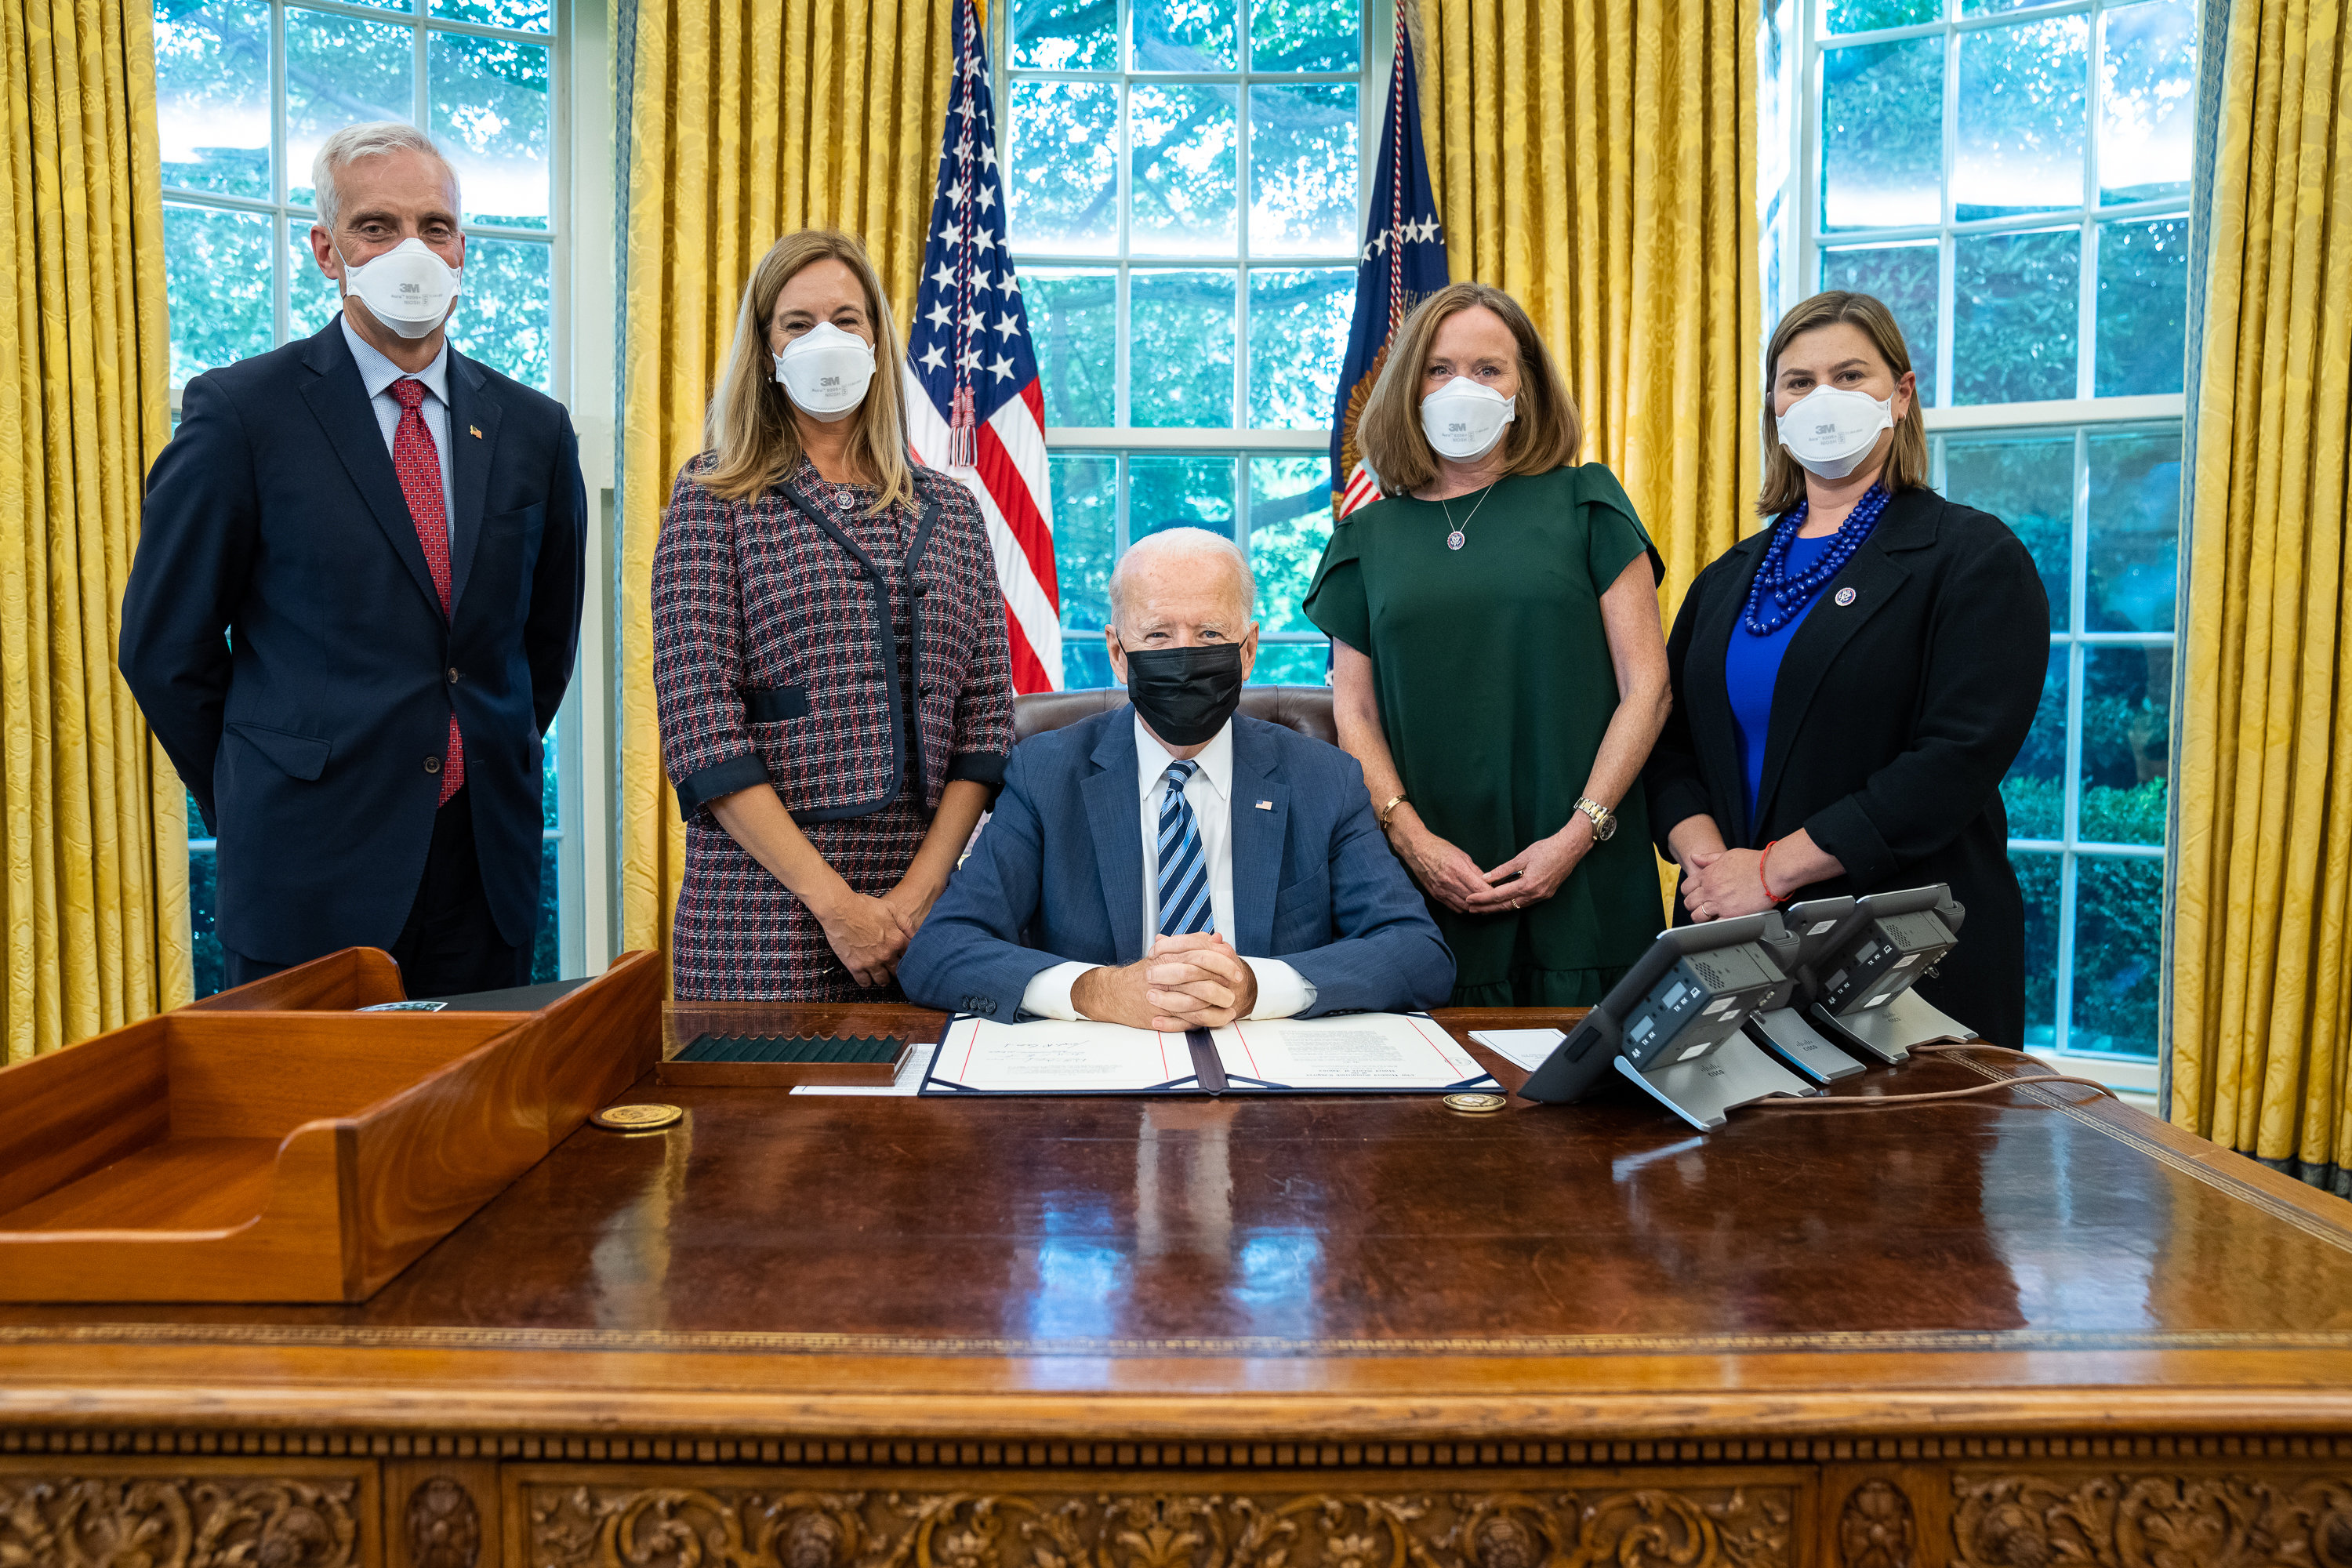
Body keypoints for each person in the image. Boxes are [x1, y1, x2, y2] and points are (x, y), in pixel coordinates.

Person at [121, 122, 585, 996]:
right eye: (377, 226)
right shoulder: (240, 412)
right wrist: (259, 790)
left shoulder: (534, 428)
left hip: (485, 868)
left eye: (435, 227)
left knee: (476, 1127)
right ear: (327, 250)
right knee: (308, 1126)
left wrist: (481, 749)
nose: (411, 249)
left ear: (461, 251)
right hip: (307, 867)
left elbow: (543, 643)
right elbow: (162, 647)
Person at [1642, 290, 2048, 1046]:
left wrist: (1770, 872)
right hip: (1730, 948)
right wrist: (1710, 867)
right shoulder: (1730, 577)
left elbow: (1952, 763)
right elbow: (1669, 749)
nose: (1821, 397)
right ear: (1775, 407)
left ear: (1900, 395)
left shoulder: (1974, 558)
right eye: (1799, 381)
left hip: (1904, 961)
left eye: (1850, 375)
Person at [652, 230, 1013, 1000]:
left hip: (928, 913)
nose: (827, 340)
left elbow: (985, 722)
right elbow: (699, 726)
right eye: (798, 322)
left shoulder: (951, 509)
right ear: (766, 347)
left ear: (878, 341)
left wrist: (914, 899)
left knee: (924, 1119)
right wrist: (837, 906)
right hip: (761, 911)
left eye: (847, 319)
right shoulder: (712, 496)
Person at [899, 528, 1453, 1026]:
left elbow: (1417, 952)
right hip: (1100, 1093)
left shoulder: (1323, 777)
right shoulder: (1047, 773)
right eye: (1159, 635)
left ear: (1250, 650)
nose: (1185, 656)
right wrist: (1096, 991)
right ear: (1118, 652)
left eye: (1210, 634)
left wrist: (1258, 988)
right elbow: (940, 950)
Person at [1301, 281, 1671, 1007]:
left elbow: (1648, 690)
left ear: (1523, 388)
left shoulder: (1586, 501)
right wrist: (1411, 841)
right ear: (1410, 387)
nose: (1461, 388)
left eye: (1488, 369)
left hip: (1583, 867)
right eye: (1439, 369)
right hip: (1428, 877)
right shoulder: (1365, 537)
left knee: (1599, 1112)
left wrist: (1577, 835)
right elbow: (1356, 716)